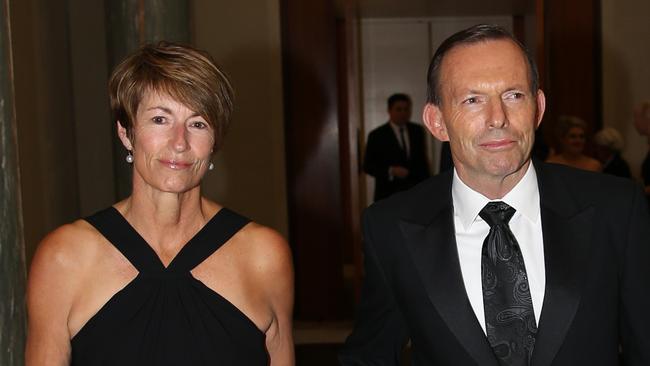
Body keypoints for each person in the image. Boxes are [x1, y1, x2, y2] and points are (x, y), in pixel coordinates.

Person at [340, 24, 650, 365]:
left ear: (538, 107)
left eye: (514, 95)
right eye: (472, 100)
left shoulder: (617, 209)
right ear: (437, 121)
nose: (497, 118)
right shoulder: (391, 227)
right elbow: (369, 355)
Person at [25, 42, 294, 365]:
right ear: (126, 133)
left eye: (198, 124)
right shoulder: (64, 258)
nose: (179, 143)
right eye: (159, 120)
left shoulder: (264, 255)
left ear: (214, 142)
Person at [363, 93, 430, 201]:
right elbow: (368, 166)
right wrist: (391, 171)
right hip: (388, 194)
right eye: (398, 109)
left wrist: (428, 188)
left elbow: (422, 162)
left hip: (415, 193)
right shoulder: (377, 135)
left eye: (406, 109)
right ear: (389, 111)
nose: (403, 113)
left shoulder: (417, 131)